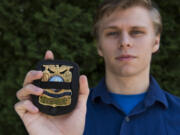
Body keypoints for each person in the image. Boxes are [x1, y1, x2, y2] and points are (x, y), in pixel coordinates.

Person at [15, 0, 180, 135]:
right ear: (99, 46)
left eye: (136, 32)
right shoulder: (65, 114)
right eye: (112, 33)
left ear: (156, 41)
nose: (125, 42)